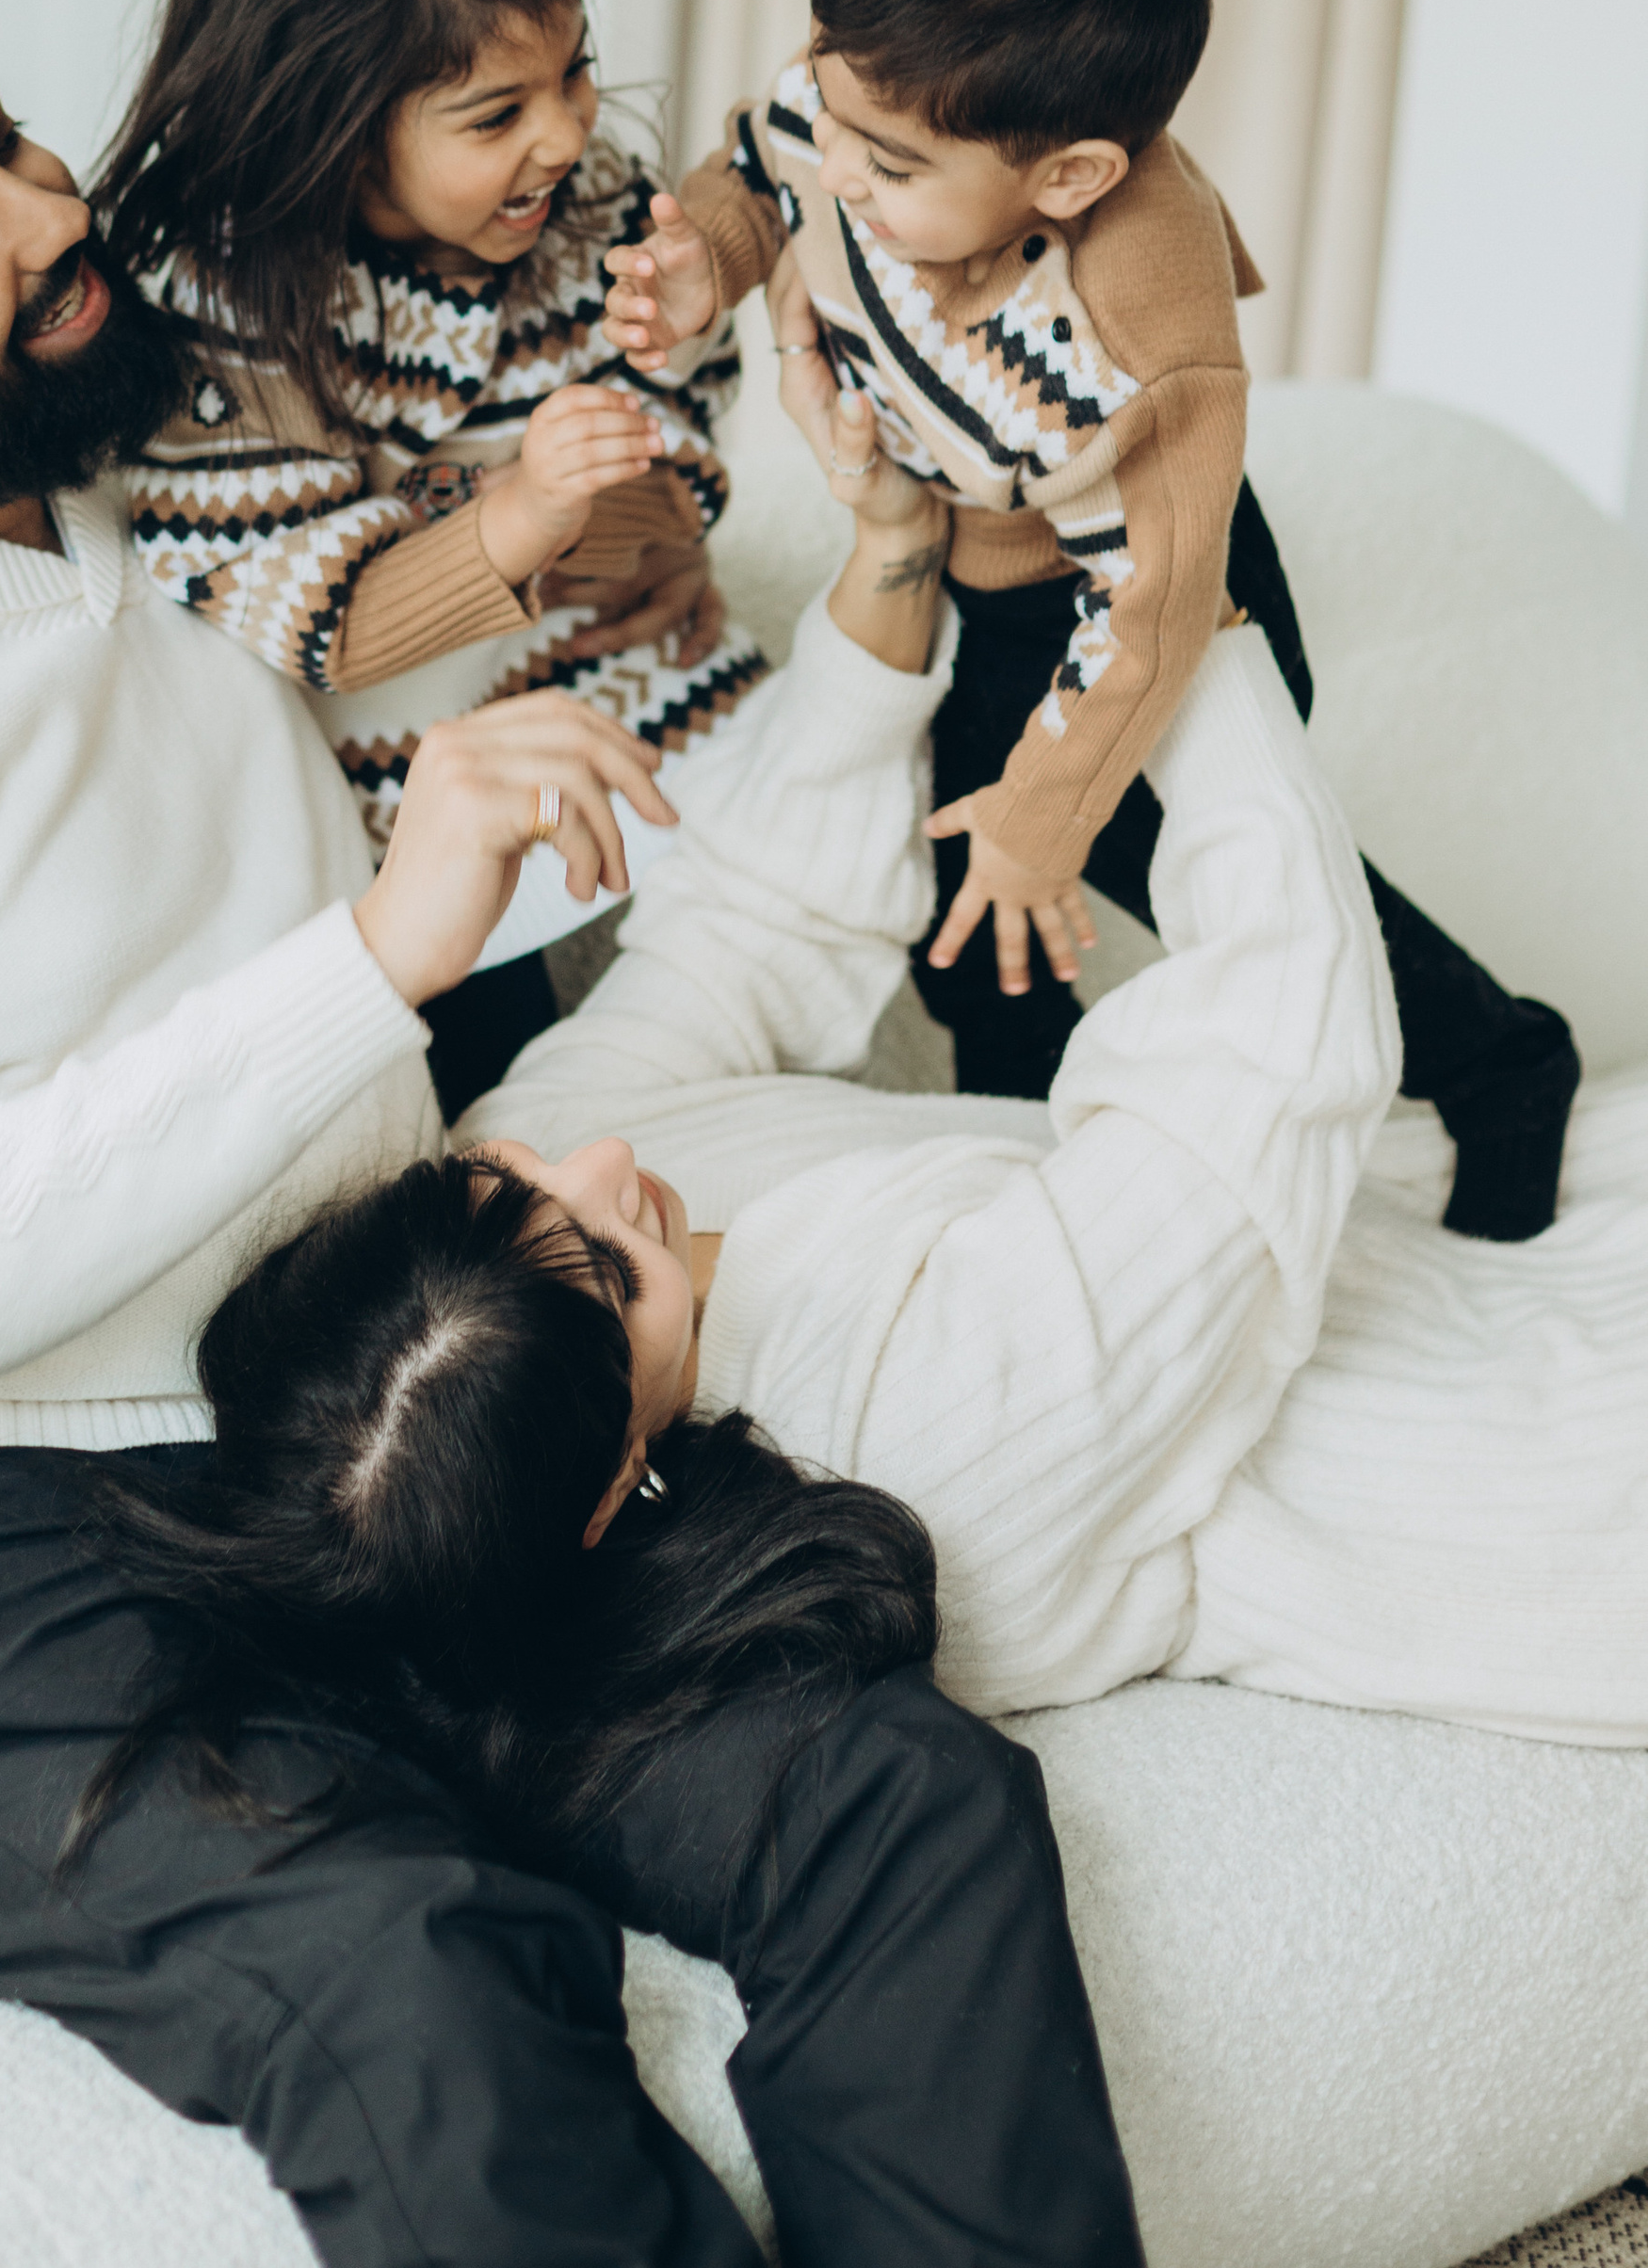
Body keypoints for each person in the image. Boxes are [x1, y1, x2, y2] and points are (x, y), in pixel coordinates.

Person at [0, 0, 1155, 2268]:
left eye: (10, 141)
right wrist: (369, 958)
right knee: (420, 1967)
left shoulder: (185, 521)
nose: (58, 221)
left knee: (897, 1799)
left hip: (334, 1433)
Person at [283, 367, 1647, 1746]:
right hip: (1537, 1466)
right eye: (617, 1269)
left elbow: (749, 936)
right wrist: (1178, 617)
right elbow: (1281, 1043)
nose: (604, 1163)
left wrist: (892, 551)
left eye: (509, 1180)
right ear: (606, 1492)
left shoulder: (519, 1226)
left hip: (1414, 1249)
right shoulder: (941, 1454)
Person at [602, 0, 1578, 1239]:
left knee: (1202, 879)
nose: (844, 176)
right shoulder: (866, 102)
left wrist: (1046, 816)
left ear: (1063, 179)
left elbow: (1156, 611)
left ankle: (1503, 1063)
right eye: (834, 113)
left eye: (888, 167)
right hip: (985, 578)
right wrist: (706, 257)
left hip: (1156, 602)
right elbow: (761, 169)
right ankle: (1020, 1148)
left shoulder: (1142, 338)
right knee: (967, 895)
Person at [97, 0, 767, 1112]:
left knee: (802, 867)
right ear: (331, 134)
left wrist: (657, 501)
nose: (566, 135)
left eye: (574, 74)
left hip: (607, 673)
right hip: (390, 759)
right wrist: (522, 510)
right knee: (470, 1057)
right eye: (496, 112)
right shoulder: (216, 308)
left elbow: (675, 434)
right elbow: (319, 620)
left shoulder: (583, 210)